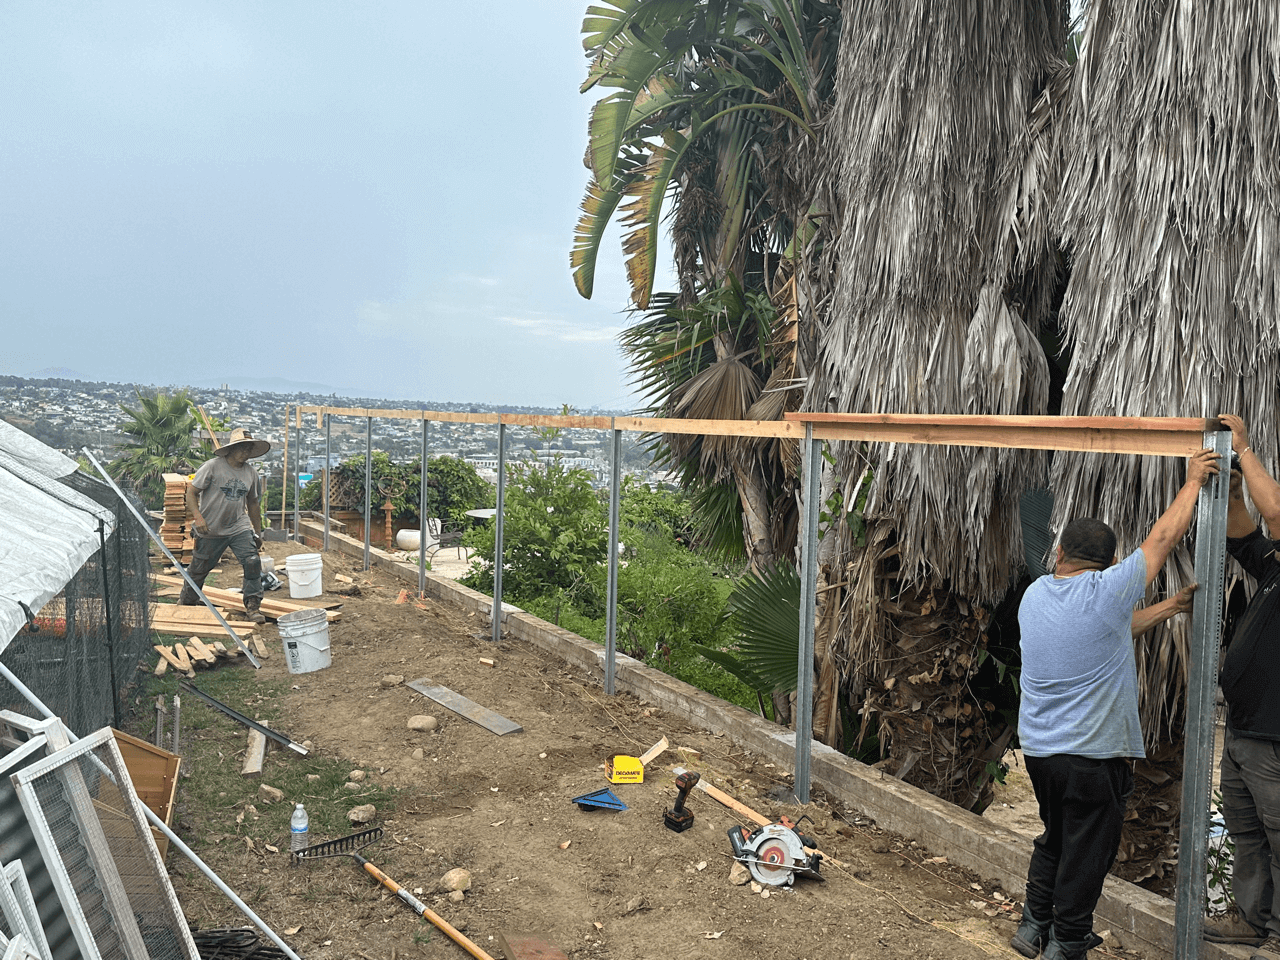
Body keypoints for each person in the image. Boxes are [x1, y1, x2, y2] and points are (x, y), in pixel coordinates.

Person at [1011, 447, 1220, 960]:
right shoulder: (1109, 589)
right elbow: (1163, 539)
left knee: (1055, 838)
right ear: (1108, 563)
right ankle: (1069, 942)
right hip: (1091, 758)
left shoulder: (1036, 596)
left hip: (1041, 752)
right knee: (1087, 854)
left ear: (1058, 555)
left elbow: (1109, 632)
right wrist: (1193, 481)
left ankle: (1032, 927)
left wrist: (1169, 607)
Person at [1200, 413, 1280, 960]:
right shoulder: (1277, 569)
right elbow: (1248, 536)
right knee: (1247, 833)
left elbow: (1274, 513)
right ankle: (1253, 922)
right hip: (1246, 729)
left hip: (1275, 738)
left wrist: (1247, 452)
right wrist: (1230, 491)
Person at [178, 428, 269, 624]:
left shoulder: (251, 473)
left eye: (249, 449)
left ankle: (253, 605)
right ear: (232, 449)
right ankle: (187, 602)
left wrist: (257, 531)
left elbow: (253, 503)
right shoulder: (212, 467)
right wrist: (198, 518)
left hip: (238, 525)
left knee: (252, 561)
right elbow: (191, 493)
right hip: (210, 527)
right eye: (242, 448)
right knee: (199, 568)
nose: (246, 453)